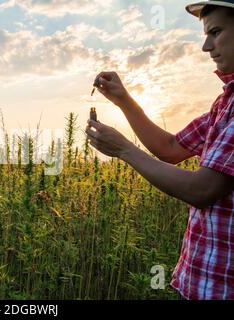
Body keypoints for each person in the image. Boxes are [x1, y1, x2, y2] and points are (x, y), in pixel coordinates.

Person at [86, 0, 234, 300]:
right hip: (201, 282)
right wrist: (123, 99)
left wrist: (124, 150)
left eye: (215, 32)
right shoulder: (224, 104)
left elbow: (203, 189)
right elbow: (170, 148)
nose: (206, 46)